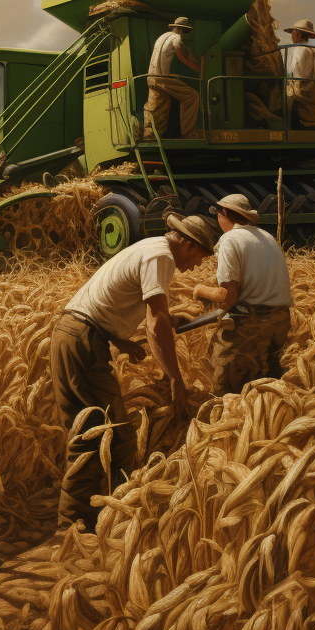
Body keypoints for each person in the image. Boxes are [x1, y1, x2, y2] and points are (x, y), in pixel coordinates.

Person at [52, 215, 215, 529]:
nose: (195, 266)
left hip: (69, 336)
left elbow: (99, 301)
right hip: (84, 342)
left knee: (86, 434)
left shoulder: (149, 247)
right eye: (199, 257)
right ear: (189, 245)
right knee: (117, 435)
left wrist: (119, 340)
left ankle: (74, 521)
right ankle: (117, 517)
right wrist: (176, 380)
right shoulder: (161, 256)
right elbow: (156, 324)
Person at [191, 194, 294, 397]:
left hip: (252, 322)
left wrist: (200, 290)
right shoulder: (267, 237)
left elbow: (229, 296)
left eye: (219, 215)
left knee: (226, 386)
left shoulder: (229, 240)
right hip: (281, 321)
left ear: (225, 215)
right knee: (268, 384)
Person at [143, 17, 203, 139]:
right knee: (192, 96)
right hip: (163, 78)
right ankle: (189, 133)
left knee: (157, 104)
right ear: (183, 30)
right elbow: (181, 57)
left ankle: (149, 135)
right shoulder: (177, 38)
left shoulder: (162, 37)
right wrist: (197, 68)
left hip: (151, 77)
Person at [283, 19, 315, 130]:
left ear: (300, 34)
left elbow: (301, 76)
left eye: (294, 32)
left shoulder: (304, 51)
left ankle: (283, 124)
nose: (292, 35)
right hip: (298, 84)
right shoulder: (293, 49)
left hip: (303, 89)